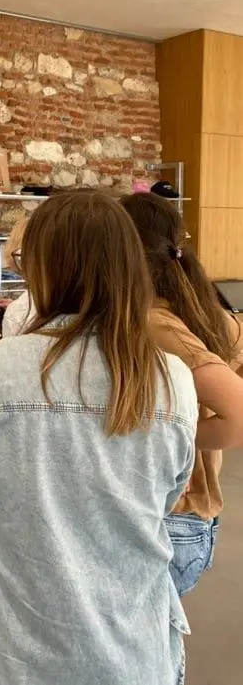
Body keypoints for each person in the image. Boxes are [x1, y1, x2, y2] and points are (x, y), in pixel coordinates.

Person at [0, 191, 197, 685]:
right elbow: (170, 493)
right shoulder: (173, 379)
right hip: (135, 650)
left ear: (41, 268)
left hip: (7, 648)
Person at [121, 192, 243, 596]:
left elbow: (237, 416)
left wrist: (170, 431)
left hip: (172, 518)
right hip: (190, 517)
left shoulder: (155, 323)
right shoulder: (200, 311)